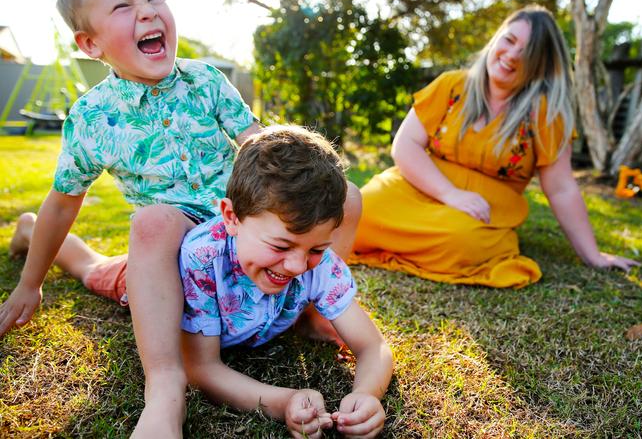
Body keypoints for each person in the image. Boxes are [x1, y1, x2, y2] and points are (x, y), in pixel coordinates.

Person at [0, 0, 362, 437]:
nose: (148, 12)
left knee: (347, 196)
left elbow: (259, 146)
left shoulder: (207, 81)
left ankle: (308, 309)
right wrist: (29, 282)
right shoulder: (91, 118)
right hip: (170, 257)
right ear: (90, 44)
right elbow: (65, 200)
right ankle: (166, 386)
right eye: (123, 6)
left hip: (246, 231)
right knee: (116, 254)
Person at [8, 126, 393, 438]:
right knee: (92, 269)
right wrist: (285, 399)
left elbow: (373, 345)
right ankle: (29, 228)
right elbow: (201, 368)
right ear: (231, 217)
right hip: (157, 281)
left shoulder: (314, 259)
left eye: (315, 249)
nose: (296, 265)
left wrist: (366, 394)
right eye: (282, 245)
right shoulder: (201, 259)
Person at [349, 5, 639, 288]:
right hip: (420, 186)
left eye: (527, 53)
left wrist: (593, 255)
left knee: (461, 241)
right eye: (509, 40)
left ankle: (431, 244)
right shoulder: (451, 85)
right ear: (496, 38)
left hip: (481, 210)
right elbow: (405, 145)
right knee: (360, 210)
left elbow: (561, 187)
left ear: (541, 65)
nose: (511, 55)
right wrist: (450, 193)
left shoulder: (546, 113)